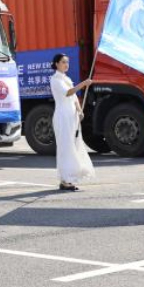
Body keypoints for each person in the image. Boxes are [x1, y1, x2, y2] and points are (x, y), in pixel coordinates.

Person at [50, 53, 95, 191]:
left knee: (74, 145)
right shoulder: (55, 79)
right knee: (65, 147)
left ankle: (70, 178)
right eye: (63, 62)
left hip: (72, 117)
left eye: (67, 62)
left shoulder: (67, 78)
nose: (66, 64)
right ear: (56, 64)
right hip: (62, 117)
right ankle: (65, 180)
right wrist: (84, 84)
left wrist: (80, 110)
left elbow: (74, 98)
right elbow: (68, 93)